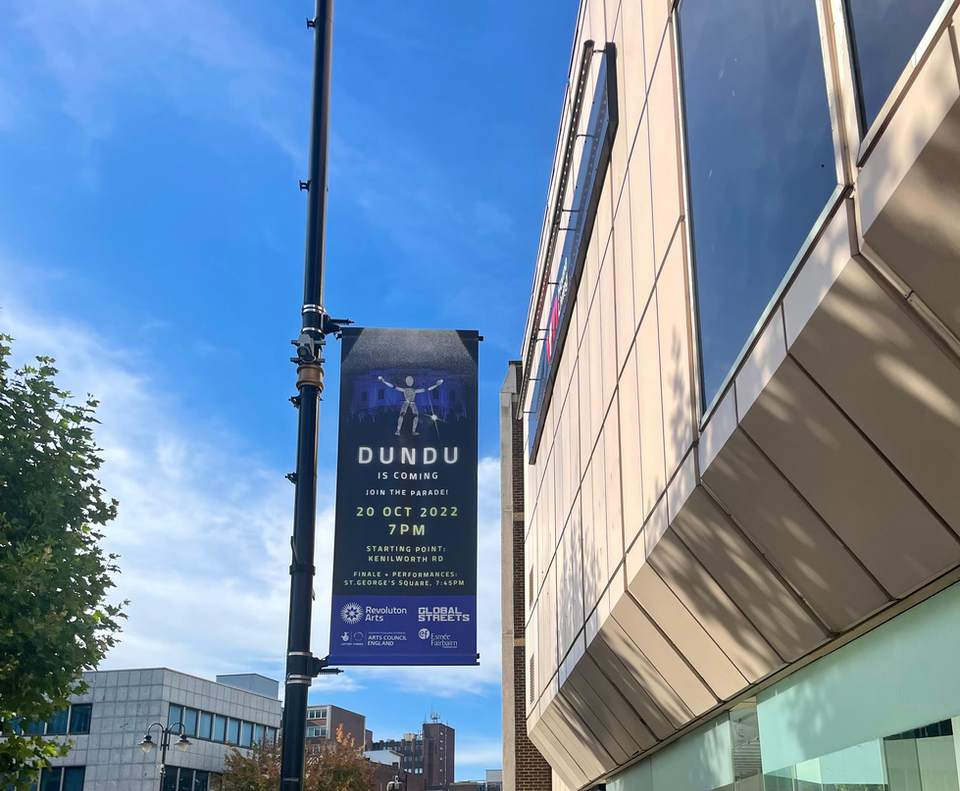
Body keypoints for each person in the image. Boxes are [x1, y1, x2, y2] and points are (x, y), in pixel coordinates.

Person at [378, 375, 443, 436]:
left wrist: (437, 385)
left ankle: (411, 431)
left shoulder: (413, 390)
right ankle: (398, 430)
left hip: (412, 403)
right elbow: (392, 386)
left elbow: (428, 389)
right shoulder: (408, 390)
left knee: (415, 416)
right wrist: (383, 381)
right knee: (402, 415)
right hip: (408, 402)